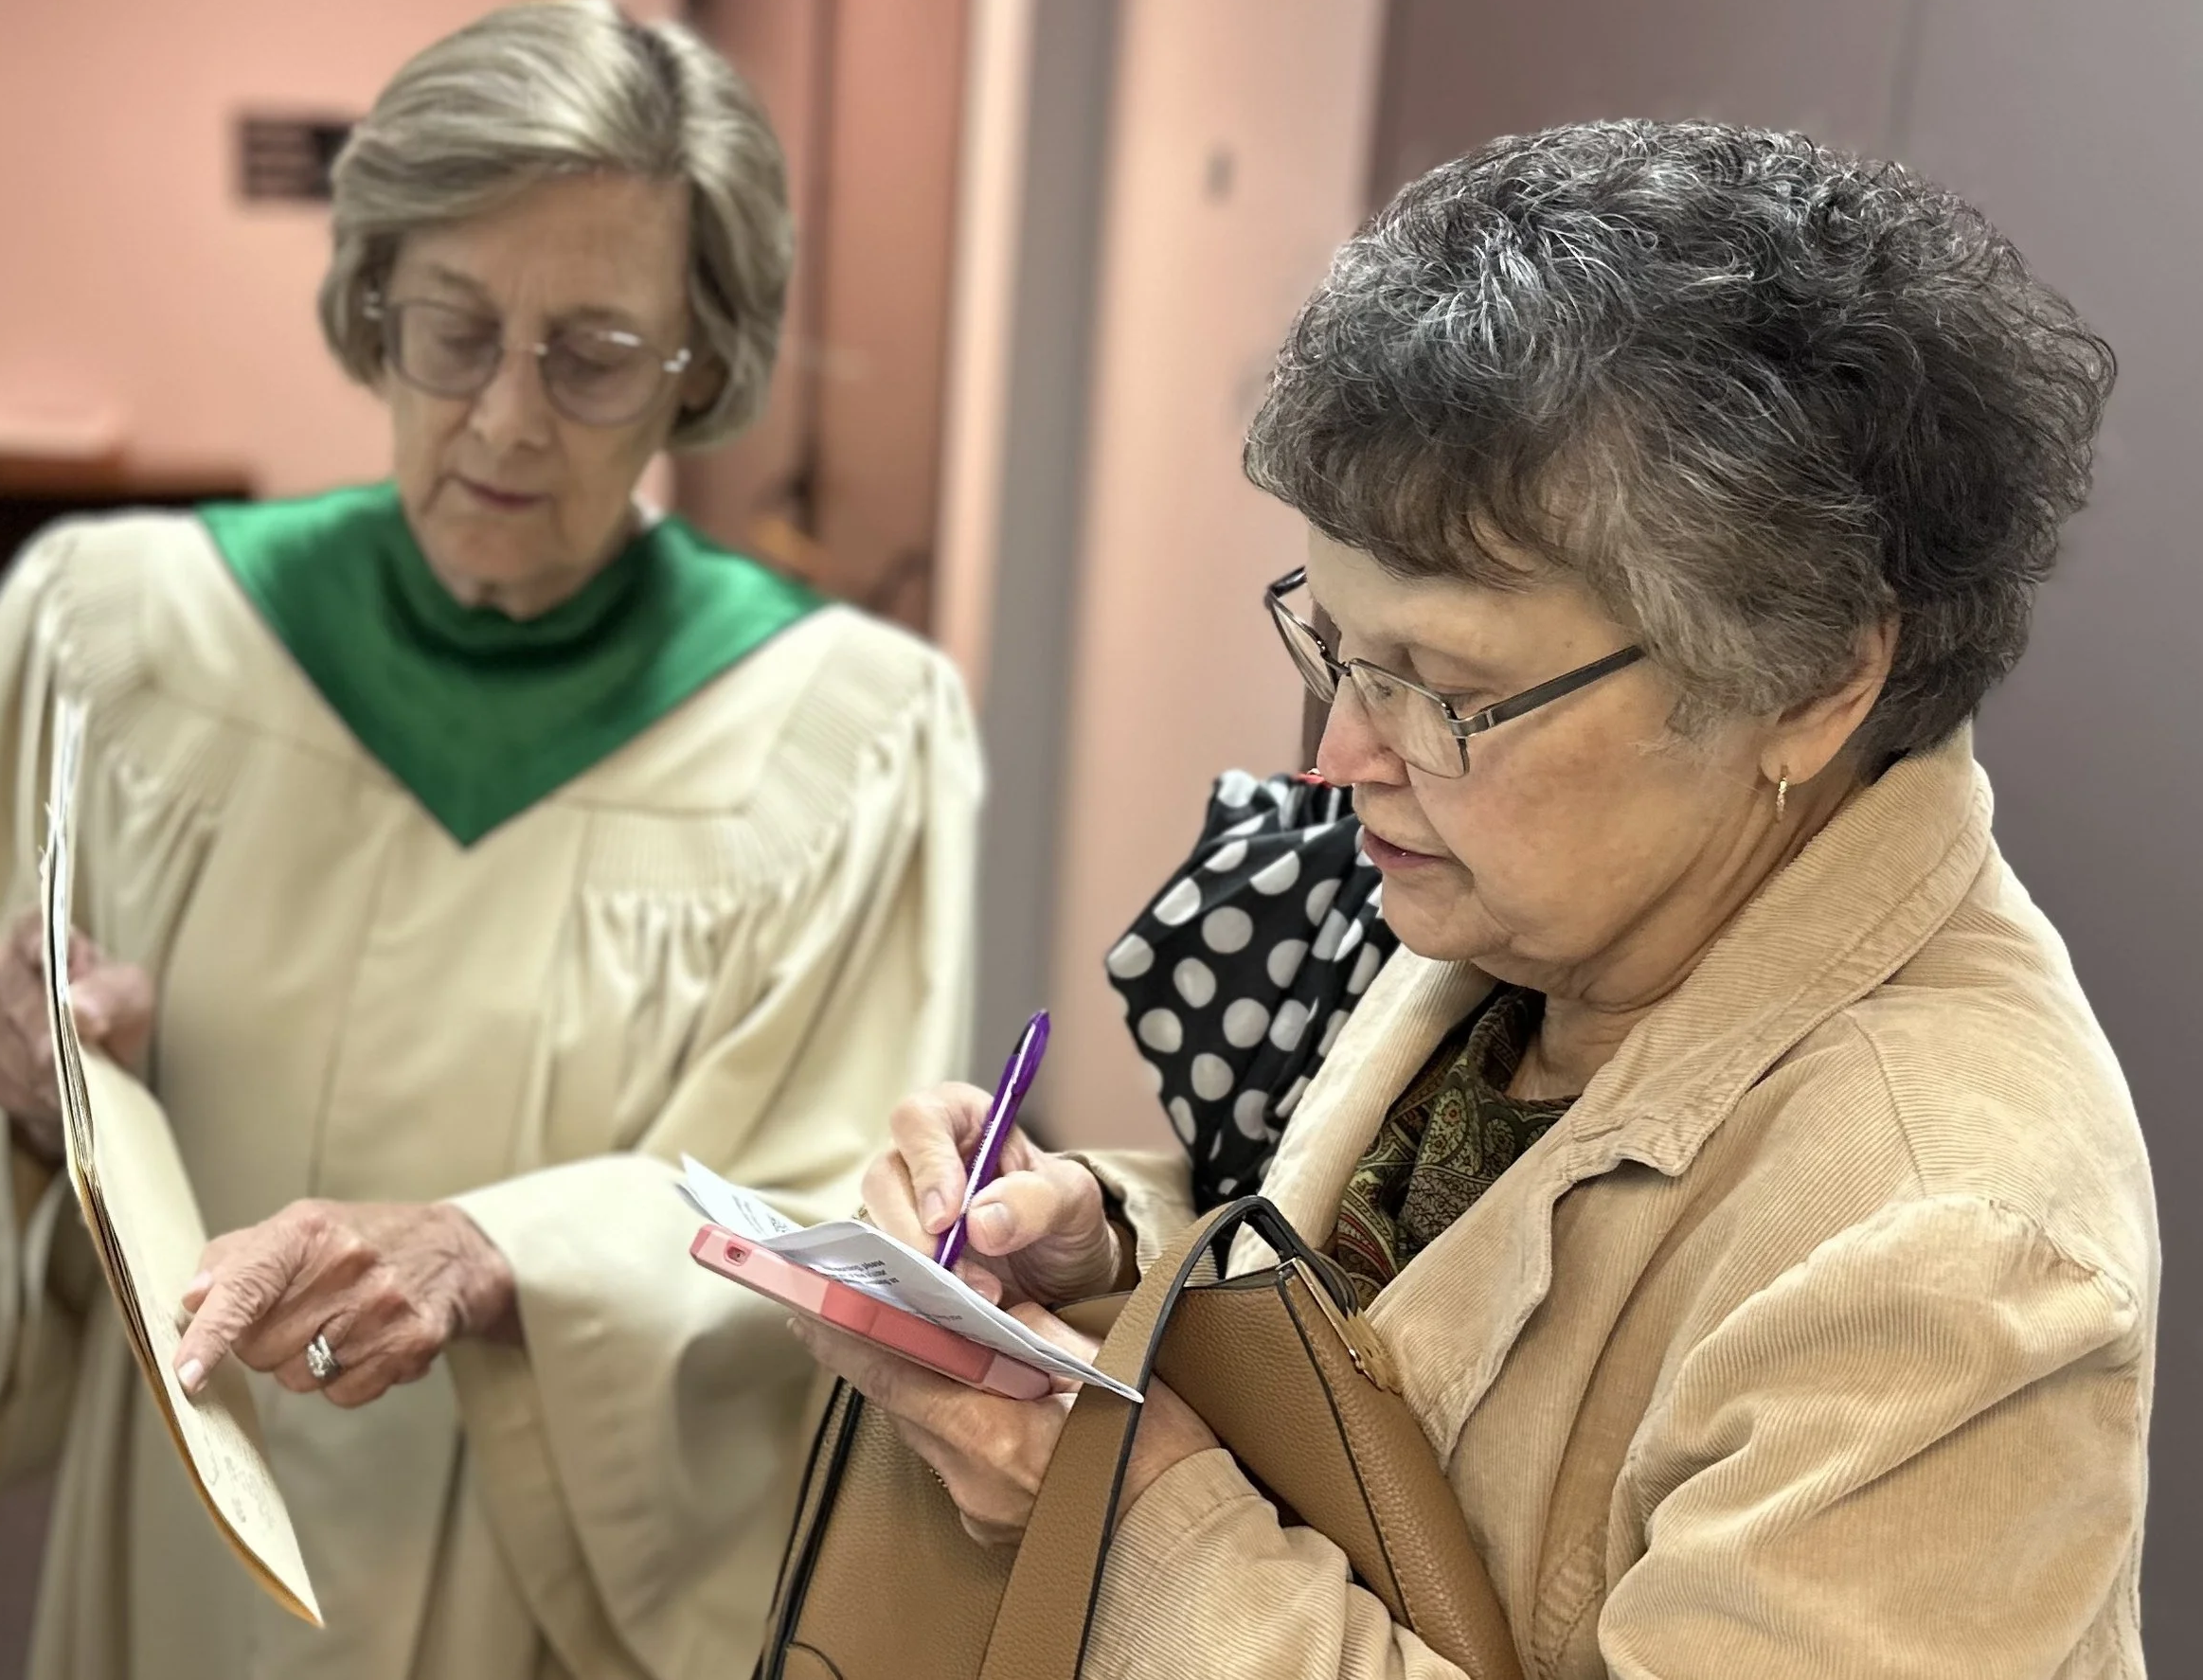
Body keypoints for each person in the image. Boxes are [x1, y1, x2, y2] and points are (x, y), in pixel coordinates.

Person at [796, 121, 2158, 1677]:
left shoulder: (1954, 1253)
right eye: (1337, 648)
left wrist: (1112, 1512)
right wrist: (1105, 1243)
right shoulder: (1566, 899)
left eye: (1448, 686)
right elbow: (1414, 1296)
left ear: (1812, 678)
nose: (1339, 755)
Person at [0, 0, 978, 1680]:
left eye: (593, 359)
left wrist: (499, 1248)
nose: (508, 422)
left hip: (540, 1612)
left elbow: (826, 1215)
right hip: (187, 1527)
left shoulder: (842, 737)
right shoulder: (122, 638)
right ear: (370, 311)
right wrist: (23, 1082)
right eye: (452, 332)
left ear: (703, 371)